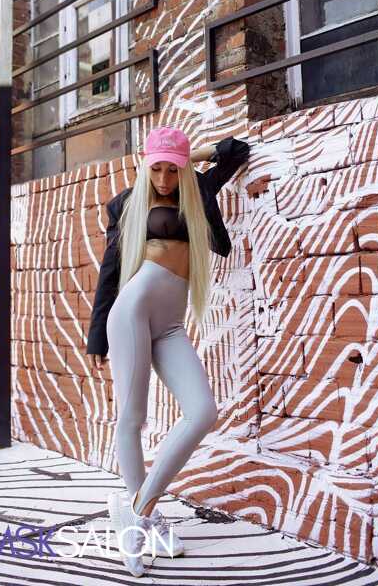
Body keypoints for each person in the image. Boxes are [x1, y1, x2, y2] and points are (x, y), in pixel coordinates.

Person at [86, 126, 249, 577]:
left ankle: (136, 510)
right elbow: (110, 269)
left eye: (170, 170)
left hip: (172, 324)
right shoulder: (127, 203)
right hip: (132, 313)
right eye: (155, 169)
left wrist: (183, 155)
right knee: (132, 418)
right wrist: (97, 336)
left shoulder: (197, 188)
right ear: (145, 167)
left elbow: (237, 150)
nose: (163, 179)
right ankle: (148, 521)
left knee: (203, 412)